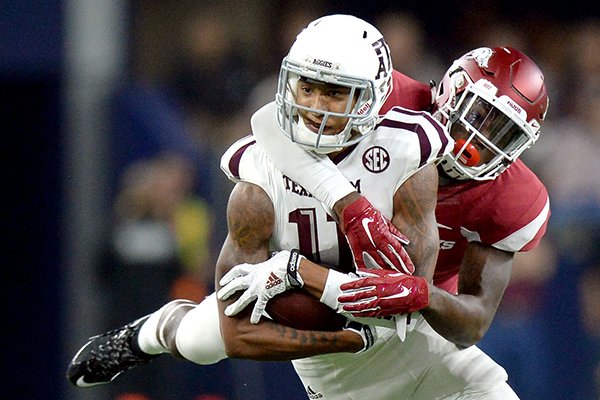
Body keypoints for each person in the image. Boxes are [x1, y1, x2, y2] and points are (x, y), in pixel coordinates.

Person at [67, 15, 520, 399]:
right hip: (329, 364)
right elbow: (240, 326)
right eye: (307, 88)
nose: (315, 108)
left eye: (334, 93)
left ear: (372, 97)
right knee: (198, 340)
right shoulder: (256, 183)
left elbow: (402, 294)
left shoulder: (407, 151)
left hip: (414, 349)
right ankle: (153, 332)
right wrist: (340, 336)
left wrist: (299, 272)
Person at [245, 45, 550, 352]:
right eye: (477, 115)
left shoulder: (515, 198)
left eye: (504, 133)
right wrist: (347, 203)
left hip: (408, 323)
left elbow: (473, 325)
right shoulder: (388, 97)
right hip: (310, 273)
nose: (480, 138)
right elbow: (268, 122)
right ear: (451, 91)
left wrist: (423, 294)